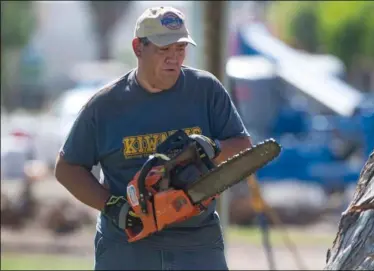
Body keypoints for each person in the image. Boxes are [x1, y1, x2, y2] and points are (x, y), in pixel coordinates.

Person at [54, 6, 252, 270]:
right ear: (138, 48)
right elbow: (67, 168)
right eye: (163, 49)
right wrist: (113, 206)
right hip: (126, 246)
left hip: (197, 243)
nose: (174, 58)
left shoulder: (206, 91)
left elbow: (243, 148)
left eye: (180, 49)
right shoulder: (105, 105)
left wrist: (213, 147)